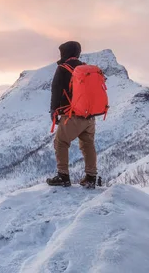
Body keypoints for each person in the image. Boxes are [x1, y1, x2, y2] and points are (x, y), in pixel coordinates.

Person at [46, 41, 98, 188]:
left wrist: (54, 112)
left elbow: (55, 92)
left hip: (72, 115)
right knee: (88, 144)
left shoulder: (63, 69)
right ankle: (91, 177)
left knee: (61, 142)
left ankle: (63, 176)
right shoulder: (85, 68)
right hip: (90, 116)